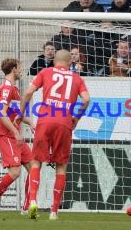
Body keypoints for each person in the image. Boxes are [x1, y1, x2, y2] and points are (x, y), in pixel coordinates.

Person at [19, 49, 90, 220]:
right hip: (64, 123)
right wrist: (77, 118)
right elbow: (87, 99)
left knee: (36, 162)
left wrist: (21, 112)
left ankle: (33, 200)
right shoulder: (77, 78)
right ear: (70, 62)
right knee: (61, 166)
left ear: (54, 60)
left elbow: (28, 92)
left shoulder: (45, 72)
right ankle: (54, 211)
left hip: (45, 121)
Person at [0, 58, 34, 217]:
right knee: (15, 172)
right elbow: (1, 113)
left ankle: (26, 208)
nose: (21, 70)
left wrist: (30, 122)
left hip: (14, 134)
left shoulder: (14, 89)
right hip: (6, 135)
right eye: (19, 67)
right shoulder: (6, 88)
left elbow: (14, 113)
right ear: (13, 69)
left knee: (34, 169)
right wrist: (16, 132)